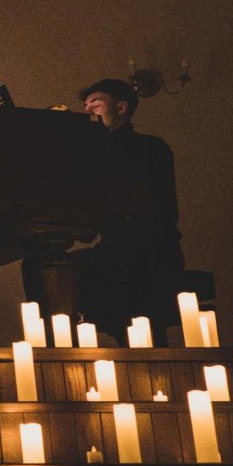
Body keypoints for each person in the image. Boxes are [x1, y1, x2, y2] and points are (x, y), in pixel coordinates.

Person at [22, 78, 184, 336]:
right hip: (115, 248)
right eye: (86, 105)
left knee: (114, 289)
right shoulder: (96, 152)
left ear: (121, 108)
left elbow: (142, 204)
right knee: (38, 266)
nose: (88, 110)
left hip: (151, 250)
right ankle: (60, 338)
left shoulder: (149, 148)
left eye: (96, 103)